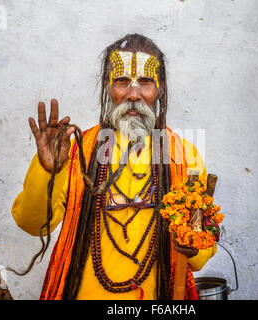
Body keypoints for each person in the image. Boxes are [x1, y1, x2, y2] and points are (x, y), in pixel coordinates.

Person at [11, 34, 216, 300]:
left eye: (145, 82)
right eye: (122, 81)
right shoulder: (77, 152)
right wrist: (48, 171)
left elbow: (199, 259)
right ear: (109, 86)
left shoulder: (185, 157)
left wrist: (192, 245)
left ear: (160, 88)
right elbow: (31, 223)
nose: (134, 94)